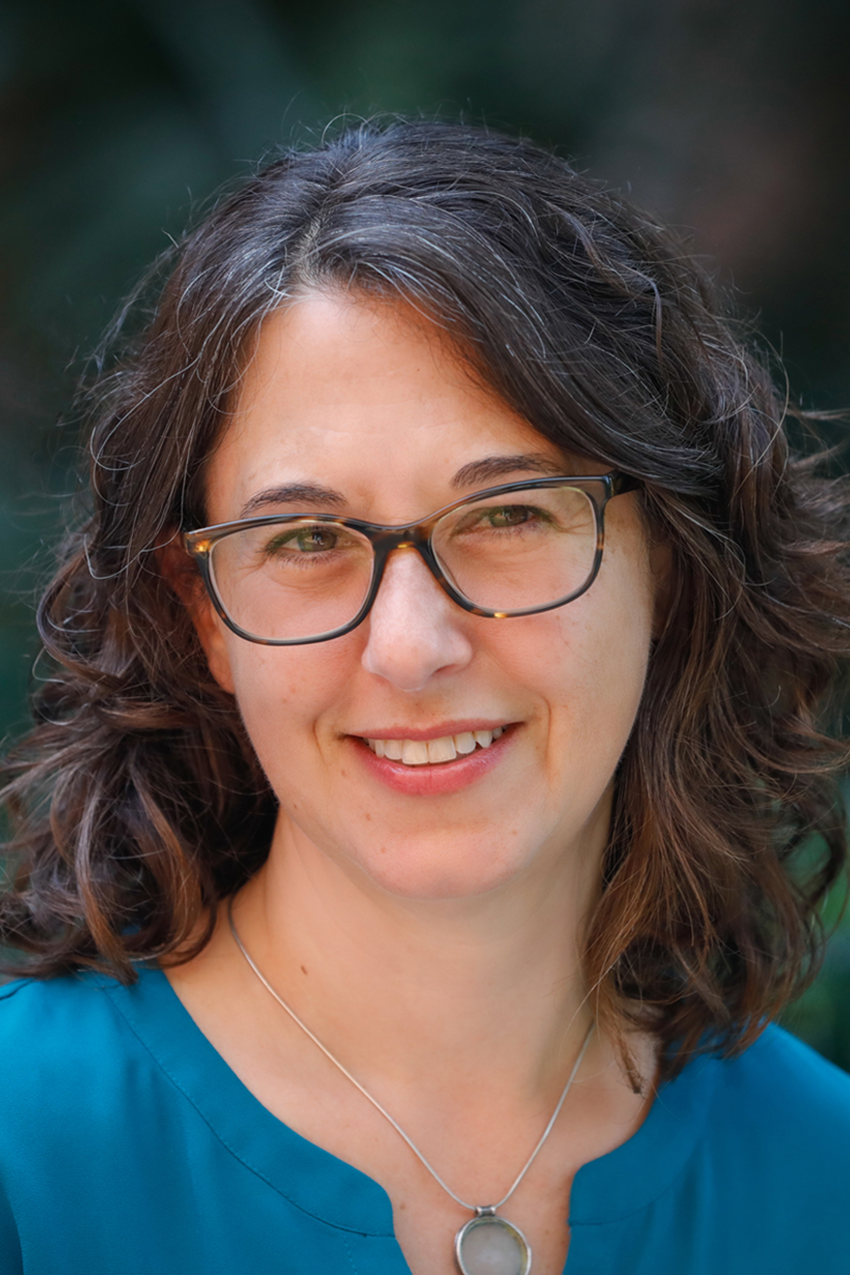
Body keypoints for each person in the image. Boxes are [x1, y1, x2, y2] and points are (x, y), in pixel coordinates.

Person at [1, 119, 849, 1275]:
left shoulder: (824, 1183)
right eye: (305, 537)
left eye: (507, 515)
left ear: (669, 566)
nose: (409, 647)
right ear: (202, 616)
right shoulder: (23, 1153)